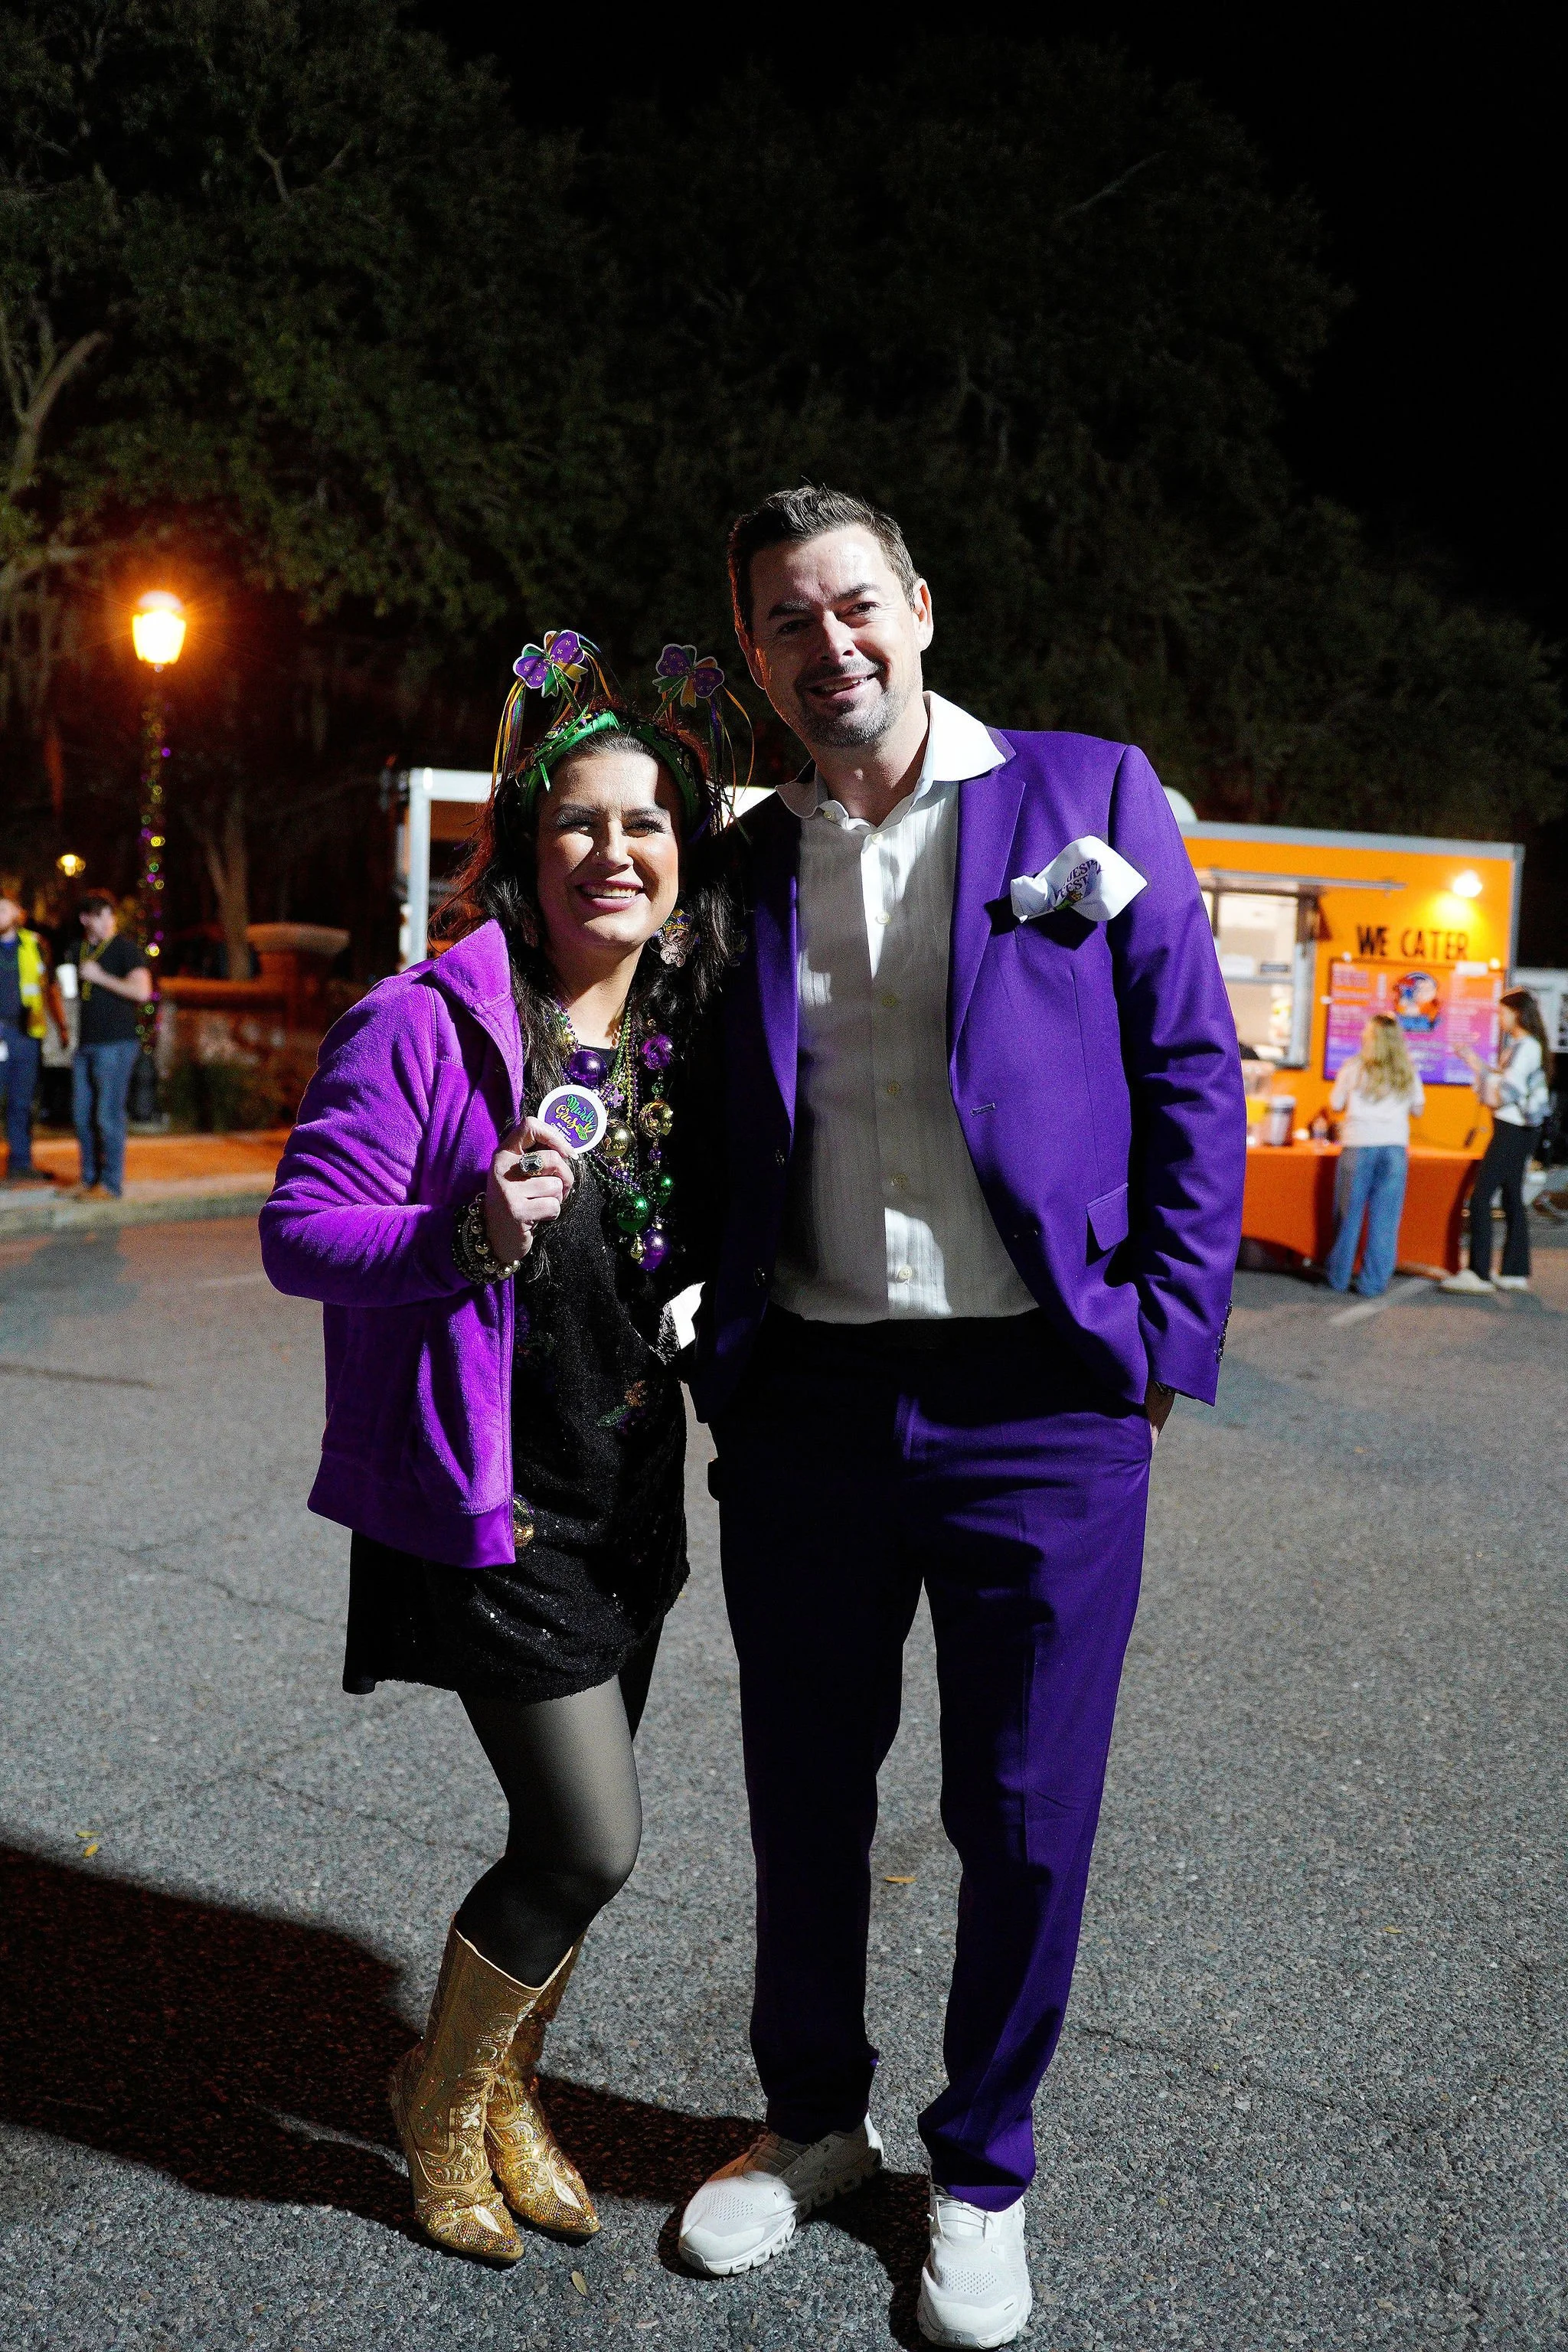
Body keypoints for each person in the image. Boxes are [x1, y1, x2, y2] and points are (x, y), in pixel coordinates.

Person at [677, 485, 1246, 2348]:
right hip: (811, 1404)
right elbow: (698, 1113)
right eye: (780, 620)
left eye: (850, 604)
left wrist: (1161, 1333)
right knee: (801, 1795)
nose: (822, 642)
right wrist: (701, 1323)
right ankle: (816, 2119)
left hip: (1036, 1398)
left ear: (917, 608)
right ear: (752, 657)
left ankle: (982, 2164)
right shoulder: (746, 855)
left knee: (1020, 1810)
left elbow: (1189, 1063)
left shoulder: (1087, 795)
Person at [260, 632, 740, 2264]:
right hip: (489, 1502)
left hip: (626, 1497)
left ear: (685, 854)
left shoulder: (681, 1043)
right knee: (588, 1838)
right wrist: (458, 1233)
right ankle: (438, 2101)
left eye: (649, 825)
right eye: (582, 824)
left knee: (571, 1855)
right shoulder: (425, 1020)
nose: (618, 852)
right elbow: (300, 1232)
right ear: (528, 855)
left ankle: (505, 2080)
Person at [1442, 988, 1554, 1294]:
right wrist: (1476, 1063)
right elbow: (1504, 1083)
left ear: (1517, 1013)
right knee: (1511, 1198)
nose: (1499, 1018)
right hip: (1519, 1130)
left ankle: (1479, 1272)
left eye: (1502, 1012)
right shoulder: (1524, 1046)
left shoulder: (1525, 1047)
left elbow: (1507, 1092)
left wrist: (1483, 1075)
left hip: (1512, 1129)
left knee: (1481, 1198)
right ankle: (1515, 1272)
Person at [1323, 1014, 1424, 1296]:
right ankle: (1372, 1284)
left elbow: (1335, 1104)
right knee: (1385, 1220)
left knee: (1348, 1216)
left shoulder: (1353, 1068)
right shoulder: (1407, 1071)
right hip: (1393, 1148)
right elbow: (1418, 1109)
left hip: (1358, 1145)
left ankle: (1339, 1278)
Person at [68, 892, 152, 1199]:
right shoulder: (76, 950)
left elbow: (143, 991)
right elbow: (70, 993)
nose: (107, 922)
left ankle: (111, 1183)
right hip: (85, 1044)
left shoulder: (124, 950)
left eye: (110, 915)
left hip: (117, 1044)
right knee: (81, 1115)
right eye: (100, 916)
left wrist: (101, 977)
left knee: (107, 1114)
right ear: (85, 919)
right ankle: (89, 1178)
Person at [0, 890, 67, 1186]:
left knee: (22, 1101)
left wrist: (62, 1025)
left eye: (3, 909)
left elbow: (49, 987)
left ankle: (21, 1163)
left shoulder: (35, 945)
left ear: (18, 914)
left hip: (25, 1034)